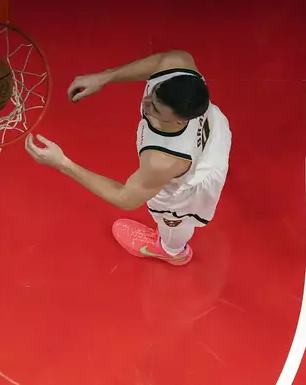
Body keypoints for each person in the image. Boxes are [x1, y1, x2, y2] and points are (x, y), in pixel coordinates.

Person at [24, 50, 232, 266]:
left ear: (180, 122)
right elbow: (160, 62)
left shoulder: (161, 161)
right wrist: (105, 77)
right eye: (153, 94)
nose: (146, 101)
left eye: (155, 108)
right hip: (215, 131)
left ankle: (172, 250)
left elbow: (125, 198)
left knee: (173, 218)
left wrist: (62, 163)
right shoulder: (177, 64)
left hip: (197, 176)